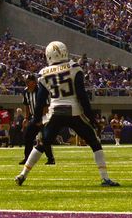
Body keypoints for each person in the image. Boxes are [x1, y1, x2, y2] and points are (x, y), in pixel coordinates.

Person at [14, 41, 117, 188]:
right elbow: (82, 95)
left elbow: (40, 101)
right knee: (94, 142)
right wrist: (91, 117)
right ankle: (105, 178)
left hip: (55, 111)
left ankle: (23, 174)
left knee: (42, 144)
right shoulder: (74, 67)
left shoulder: (44, 73)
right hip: (74, 110)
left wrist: (37, 119)